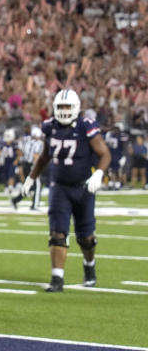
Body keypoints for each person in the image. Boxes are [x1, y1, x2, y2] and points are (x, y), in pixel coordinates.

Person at [18, 89, 110, 292]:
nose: (64, 110)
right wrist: (31, 178)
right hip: (59, 187)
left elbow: (105, 154)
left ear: (76, 108)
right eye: (61, 107)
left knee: (86, 238)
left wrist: (98, 174)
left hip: (84, 187)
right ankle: (57, 279)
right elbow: (44, 156)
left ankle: (89, 266)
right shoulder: (50, 127)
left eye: (68, 107)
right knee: (57, 233)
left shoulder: (86, 126)